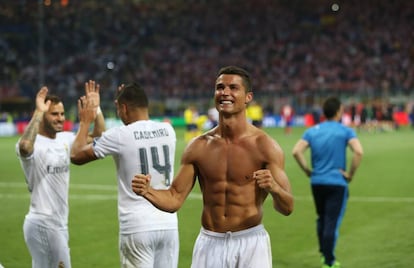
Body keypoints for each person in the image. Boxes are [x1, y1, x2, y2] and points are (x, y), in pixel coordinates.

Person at [132, 66, 294, 268]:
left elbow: (287, 207)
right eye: (220, 87)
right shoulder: (198, 147)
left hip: (251, 243)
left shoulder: (265, 146)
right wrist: (147, 191)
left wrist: (274, 188)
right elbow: (174, 199)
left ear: (248, 97)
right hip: (209, 243)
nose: (225, 92)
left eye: (233, 88)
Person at [70, 82, 179, 268]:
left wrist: (86, 120)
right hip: (168, 224)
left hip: (137, 226)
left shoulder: (120, 135)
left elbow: (76, 154)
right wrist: (101, 109)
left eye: (119, 109)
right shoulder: (168, 130)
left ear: (124, 108)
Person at [15, 81, 105, 268]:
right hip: (44, 222)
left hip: (58, 223)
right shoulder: (32, 143)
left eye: (62, 114)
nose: (60, 118)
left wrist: (96, 109)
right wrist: (39, 112)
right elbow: (24, 148)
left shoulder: (66, 139)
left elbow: (98, 136)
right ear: (42, 115)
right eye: (54, 114)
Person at [292, 96, 364, 268]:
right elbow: (358, 152)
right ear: (339, 111)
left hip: (317, 181)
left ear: (324, 112)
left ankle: (324, 253)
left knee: (322, 219)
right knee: (331, 222)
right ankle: (329, 261)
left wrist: (308, 170)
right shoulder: (345, 131)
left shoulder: (312, 131)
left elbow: (296, 151)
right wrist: (350, 174)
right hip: (337, 182)